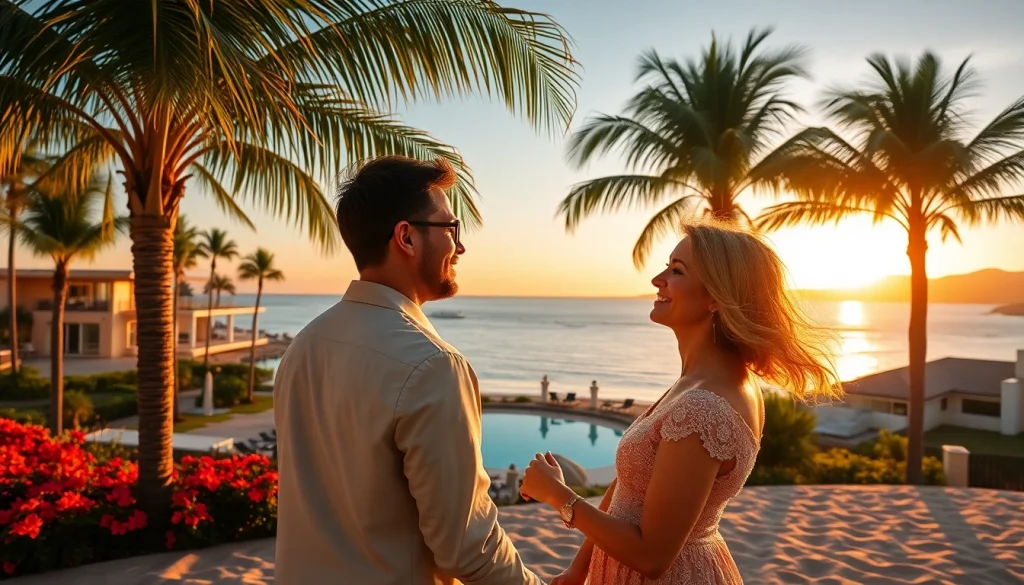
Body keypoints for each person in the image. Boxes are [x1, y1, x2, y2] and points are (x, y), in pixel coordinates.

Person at [519, 219, 841, 584]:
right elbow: (628, 486)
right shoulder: (702, 382)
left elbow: (652, 555)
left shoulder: (704, 407)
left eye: (676, 271)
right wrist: (578, 571)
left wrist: (559, 496)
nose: (658, 279)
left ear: (716, 297)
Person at [274, 155, 542, 585]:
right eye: (451, 229)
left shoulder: (302, 348)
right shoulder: (433, 366)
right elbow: (466, 550)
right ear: (407, 238)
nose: (460, 245)